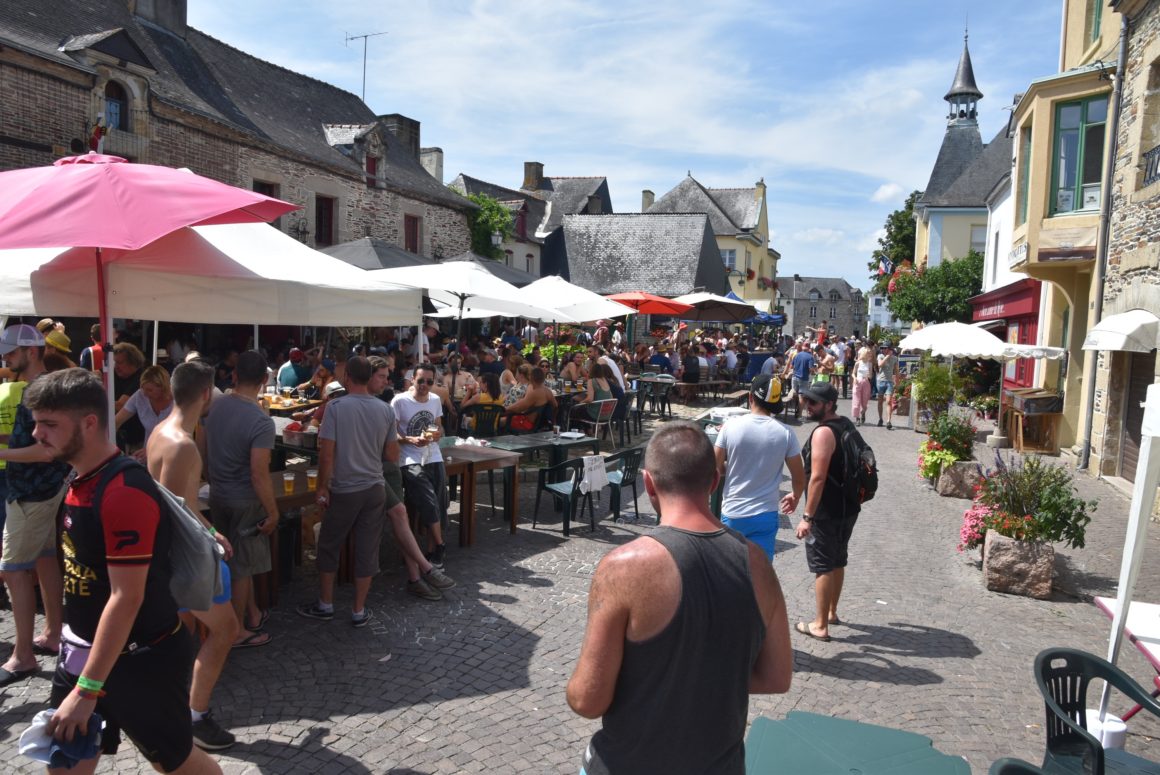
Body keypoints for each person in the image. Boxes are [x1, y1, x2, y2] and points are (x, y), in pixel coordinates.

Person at [27, 368, 223, 774]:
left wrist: (88, 689)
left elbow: (126, 596)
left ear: (89, 423)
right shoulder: (80, 479)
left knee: (176, 763)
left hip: (138, 661)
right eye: (37, 423)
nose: (37, 434)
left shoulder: (122, 492)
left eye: (49, 424)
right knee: (62, 764)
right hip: (82, 654)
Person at [566, 421, 792, 773]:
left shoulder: (623, 567)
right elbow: (777, 677)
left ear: (648, 484)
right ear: (714, 481)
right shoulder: (757, 564)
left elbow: (587, 699)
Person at [147, 360, 242, 751]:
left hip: (178, 556)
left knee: (180, 636)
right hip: (183, 560)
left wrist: (212, 531)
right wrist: (206, 544)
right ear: (205, 394)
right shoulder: (183, 445)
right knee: (226, 630)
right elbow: (173, 514)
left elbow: (181, 504)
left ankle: (169, 706)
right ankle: (196, 717)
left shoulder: (160, 432)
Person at [0, 325, 71, 688]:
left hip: (32, 491)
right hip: (40, 489)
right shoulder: (41, 387)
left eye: (10, 352)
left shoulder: (40, 391)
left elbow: (46, 451)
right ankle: (53, 633)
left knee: (13, 570)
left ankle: (23, 655)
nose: (5, 358)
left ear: (31, 351)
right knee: (44, 559)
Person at [205, 350, 278, 646]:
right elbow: (259, 473)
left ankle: (253, 613)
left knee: (232, 561)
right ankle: (235, 632)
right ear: (264, 380)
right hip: (244, 500)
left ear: (234, 375)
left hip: (218, 494)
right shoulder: (261, 420)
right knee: (242, 567)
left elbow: (203, 447)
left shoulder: (216, 406)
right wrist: (273, 512)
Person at [793, 381, 860, 642]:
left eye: (813, 402)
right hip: (847, 507)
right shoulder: (846, 424)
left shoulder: (823, 433)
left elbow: (818, 478)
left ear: (829, 404)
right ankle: (831, 612)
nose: (807, 406)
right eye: (806, 400)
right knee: (838, 560)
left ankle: (820, 625)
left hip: (826, 511)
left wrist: (807, 517)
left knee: (823, 565)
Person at [713, 375, 806, 561]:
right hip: (765, 514)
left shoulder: (729, 427)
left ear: (750, 397)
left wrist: (729, 469)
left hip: (733, 511)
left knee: (731, 569)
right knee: (761, 571)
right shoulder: (786, 433)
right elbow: (799, 476)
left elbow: (713, 468)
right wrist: (795, 496)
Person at [392, 363, 450, 569]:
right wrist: (410, 439)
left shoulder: (434, 400)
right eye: (420, 381)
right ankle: (440, 544)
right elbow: (391, 433)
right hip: (408, 457)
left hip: (433, 455)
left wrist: (437, 434)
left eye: (429, 381)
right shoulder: (399, 401)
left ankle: (434, 550)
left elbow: (438, 425)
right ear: (412, 380)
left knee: (440, 500)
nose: (424, 385)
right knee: (427, 498)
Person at [114, 364, 174, 451]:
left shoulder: (177, 401)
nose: (145, 393)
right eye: (143, 389)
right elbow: (117, 421)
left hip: (172, 453)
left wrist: (152, 450)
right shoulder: (140, 395)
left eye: (150, 390)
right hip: (147, 453)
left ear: (162, 387)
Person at [112, 341, 146, 450]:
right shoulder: (115, 374)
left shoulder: (141, 378)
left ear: (132, 362)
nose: (116, 366)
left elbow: (120, 406)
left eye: (120, 363)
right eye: (114, 362)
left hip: (135, 439)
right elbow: (96, 374)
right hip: (118, 435)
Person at [505, 367, 557, 432]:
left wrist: (504, 409)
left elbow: (518, 407)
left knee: (499, 420)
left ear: (531, 378)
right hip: (538, 424)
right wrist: (553, 421)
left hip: (526, 423)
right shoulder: (548, 392)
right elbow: (555, 406)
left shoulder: (534, 393)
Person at [788, 342, 817, 421]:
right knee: (802, 397)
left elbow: (792, 366)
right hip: (803, 378)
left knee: (795, 394)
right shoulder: (810, 357)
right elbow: (811, 369)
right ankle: (799, 415)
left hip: (794, 377)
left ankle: (796, 411)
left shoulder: (796, 355)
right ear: (809, 348)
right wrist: (814, 371)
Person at [876, 341, 899, 430]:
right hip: (880, 381)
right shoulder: (880, 356)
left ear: (889, 349)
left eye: (885, 348)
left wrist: (897, 382)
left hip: (889, 382)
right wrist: (887, 356)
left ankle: (888, 421)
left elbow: (896, 371)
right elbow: (880, 365)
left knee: (888, 401)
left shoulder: (895, 358)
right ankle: (880, 419)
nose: (883, 349)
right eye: (882, 348)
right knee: (880, 401)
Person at [851, 345, 874, 426]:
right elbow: (853, 373)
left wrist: (869, 376)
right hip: (858, 382)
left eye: (870, 354)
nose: (870, 355)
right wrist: (854, 378)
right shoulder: (858, 363)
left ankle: (863, 412)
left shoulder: (870, 364)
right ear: (865, 354)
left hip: (866, 382)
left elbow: (871, 376)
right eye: (869, 354)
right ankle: (857, 418)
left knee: (864, 402)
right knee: (856, 401)